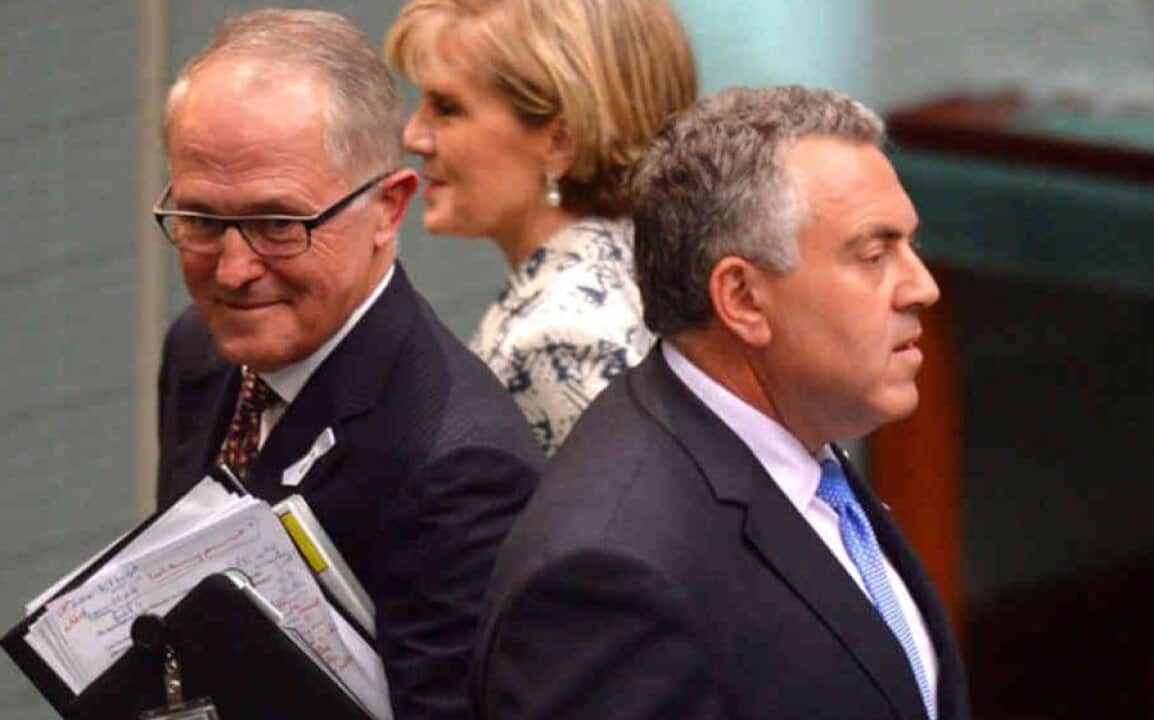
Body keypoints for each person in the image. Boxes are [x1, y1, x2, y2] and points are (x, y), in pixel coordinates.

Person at [471, 86, 970, 720]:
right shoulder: (607, 577)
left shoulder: (799, 439)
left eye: (910, 246)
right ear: (742, 298)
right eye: (874, 255)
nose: (922, 287)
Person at [152, 10, 543, 719]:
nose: (234, 271)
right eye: (202, 221)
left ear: (388, 209)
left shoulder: (460, 466)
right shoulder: (200, 351)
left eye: (279, 225)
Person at [384, 0, 698, 455]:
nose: (414, 136)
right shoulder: (638, 265)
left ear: (559, 141)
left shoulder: (563, 333)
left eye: (447, 108)